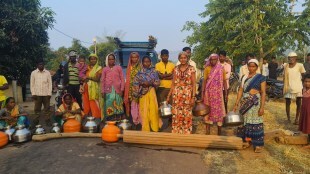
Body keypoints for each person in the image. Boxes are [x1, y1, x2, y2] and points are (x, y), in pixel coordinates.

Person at [233, 59, 266, 153]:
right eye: (249, 66)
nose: (251, 68)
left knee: (255, 122)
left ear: (256, 67)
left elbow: (263, 92)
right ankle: (247, 141)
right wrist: (236, 103)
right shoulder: (244, 77)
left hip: (255, 103)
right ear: (247, 67)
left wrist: (262, 107)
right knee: (245, 122)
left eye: (253, 66)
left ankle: (257, 144)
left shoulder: (261, 78)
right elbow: (240, 90)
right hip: (245, 103)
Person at [167, 52, 196, 134]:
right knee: (176, 113)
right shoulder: (175, 68)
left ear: (187, 58)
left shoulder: (191, 69)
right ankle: (176, 132)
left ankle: (186, 133)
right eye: (181, 58)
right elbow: (173, 83)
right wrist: (169, 95)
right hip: (176, 94)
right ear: (179, 59)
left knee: (187, 113)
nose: (183, 59)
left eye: (185, 58)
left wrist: (193, 97)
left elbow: (194, 84)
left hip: (187, 94)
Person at [201, 54, 227, 135]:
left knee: (219, 111)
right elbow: (204, 81)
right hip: (208, 93)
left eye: (215, 59)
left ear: (217, 60)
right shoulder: (207, 68)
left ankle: (219, 132)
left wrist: (225, 93)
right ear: (209, 60)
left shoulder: (221, 69)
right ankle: (207, 132)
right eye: (211, 59)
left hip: (218, 94)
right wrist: (202, 93)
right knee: (208, 111)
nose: (213, 61)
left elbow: (224, 81)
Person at [133, 56, 160, 132]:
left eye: (148, 61)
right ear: (142, 63)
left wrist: (149, 83)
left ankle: (155, 128)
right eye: (145, 62)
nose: (146, 63)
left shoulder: (154, 72)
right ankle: (145, 129)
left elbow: (158, 82)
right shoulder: (139, 73)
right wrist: (136, 94)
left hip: (152, 92)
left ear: (150, 62)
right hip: (142, 94)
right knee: (144, 111)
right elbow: (135, 83)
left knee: (153, 110)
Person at [101, 53, 125, 121]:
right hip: (108, 90)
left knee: (118, 103)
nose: (111, 60)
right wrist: (102, 91)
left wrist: (122, 89)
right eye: (109, 59)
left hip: (118, 89)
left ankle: (118, 120)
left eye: (112, 59)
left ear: (115, 60)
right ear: (107, 60)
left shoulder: (118, 67)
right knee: (109, 103)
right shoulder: (105, 69)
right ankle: (110, 119)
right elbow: (102, 80)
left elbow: (122, 79)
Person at [283, 52, 306, 124]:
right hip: (288, 87)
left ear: (296, 58)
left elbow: (303, 75)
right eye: (289, 57)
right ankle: (288, 118)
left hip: (298, 87)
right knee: (287, 103)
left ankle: (297, 119)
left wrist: (304, 86)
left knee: (299, 103)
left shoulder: (300, 65)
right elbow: (284, 77)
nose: (291, 59)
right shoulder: (285, 66)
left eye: (293, 57)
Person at [155, 49, 175, 131]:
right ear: (161, 56)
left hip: (170, 88)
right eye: (163, 56)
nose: (164, 57)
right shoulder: (157, 65)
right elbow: (159, 76)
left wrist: (164, 76)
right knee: (160, 107)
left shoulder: (172, 65)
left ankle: (171, 124)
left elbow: (173, 76)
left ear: (168, 56)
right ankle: (160, 124)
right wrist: (168, 75)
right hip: (161, 88)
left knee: (171, 106)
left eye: (166, 55)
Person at [30, 60, 52, 126]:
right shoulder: (33, 73)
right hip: (37, 95)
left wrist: (49, 93)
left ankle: (48, 121)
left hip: (46, 94)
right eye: (39, 64)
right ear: (37, 65)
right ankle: (36, 121)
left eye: (42, 64)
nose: (41, 66)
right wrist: (33, 93)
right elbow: (32, 84)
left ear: (44, 65)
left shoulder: (47, 73)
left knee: (47, 109)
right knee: (37, 109)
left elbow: (50, 84)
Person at [124, 52, 142, 127]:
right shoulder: (129, 67)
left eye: (136, 57)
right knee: (133, 105)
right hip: (130, 89)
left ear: (138, 58)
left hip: (139, 89)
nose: (134, 59)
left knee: (139, 105)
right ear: (130, 58)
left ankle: (139, 121)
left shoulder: (141, 67)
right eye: (132, 57)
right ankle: (134, 121)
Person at [82, 54, 102, 119]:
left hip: (94, 90)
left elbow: (97, 79)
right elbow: (82, 77)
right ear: (89, 60)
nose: (93, 60)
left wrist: (88, 77)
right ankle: (88, 120)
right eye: (91, 59)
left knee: (94, 104)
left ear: (97, 60)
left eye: (94, 59)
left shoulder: (99, 68)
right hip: (86, 88)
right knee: (86, 104)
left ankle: (97, 119)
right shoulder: (86, 68)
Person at [299, 74, 310, 148]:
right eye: (305, 81)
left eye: (309, 82)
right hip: (305, 111)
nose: (307, 83)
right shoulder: (303, 89)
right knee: (308, 126)